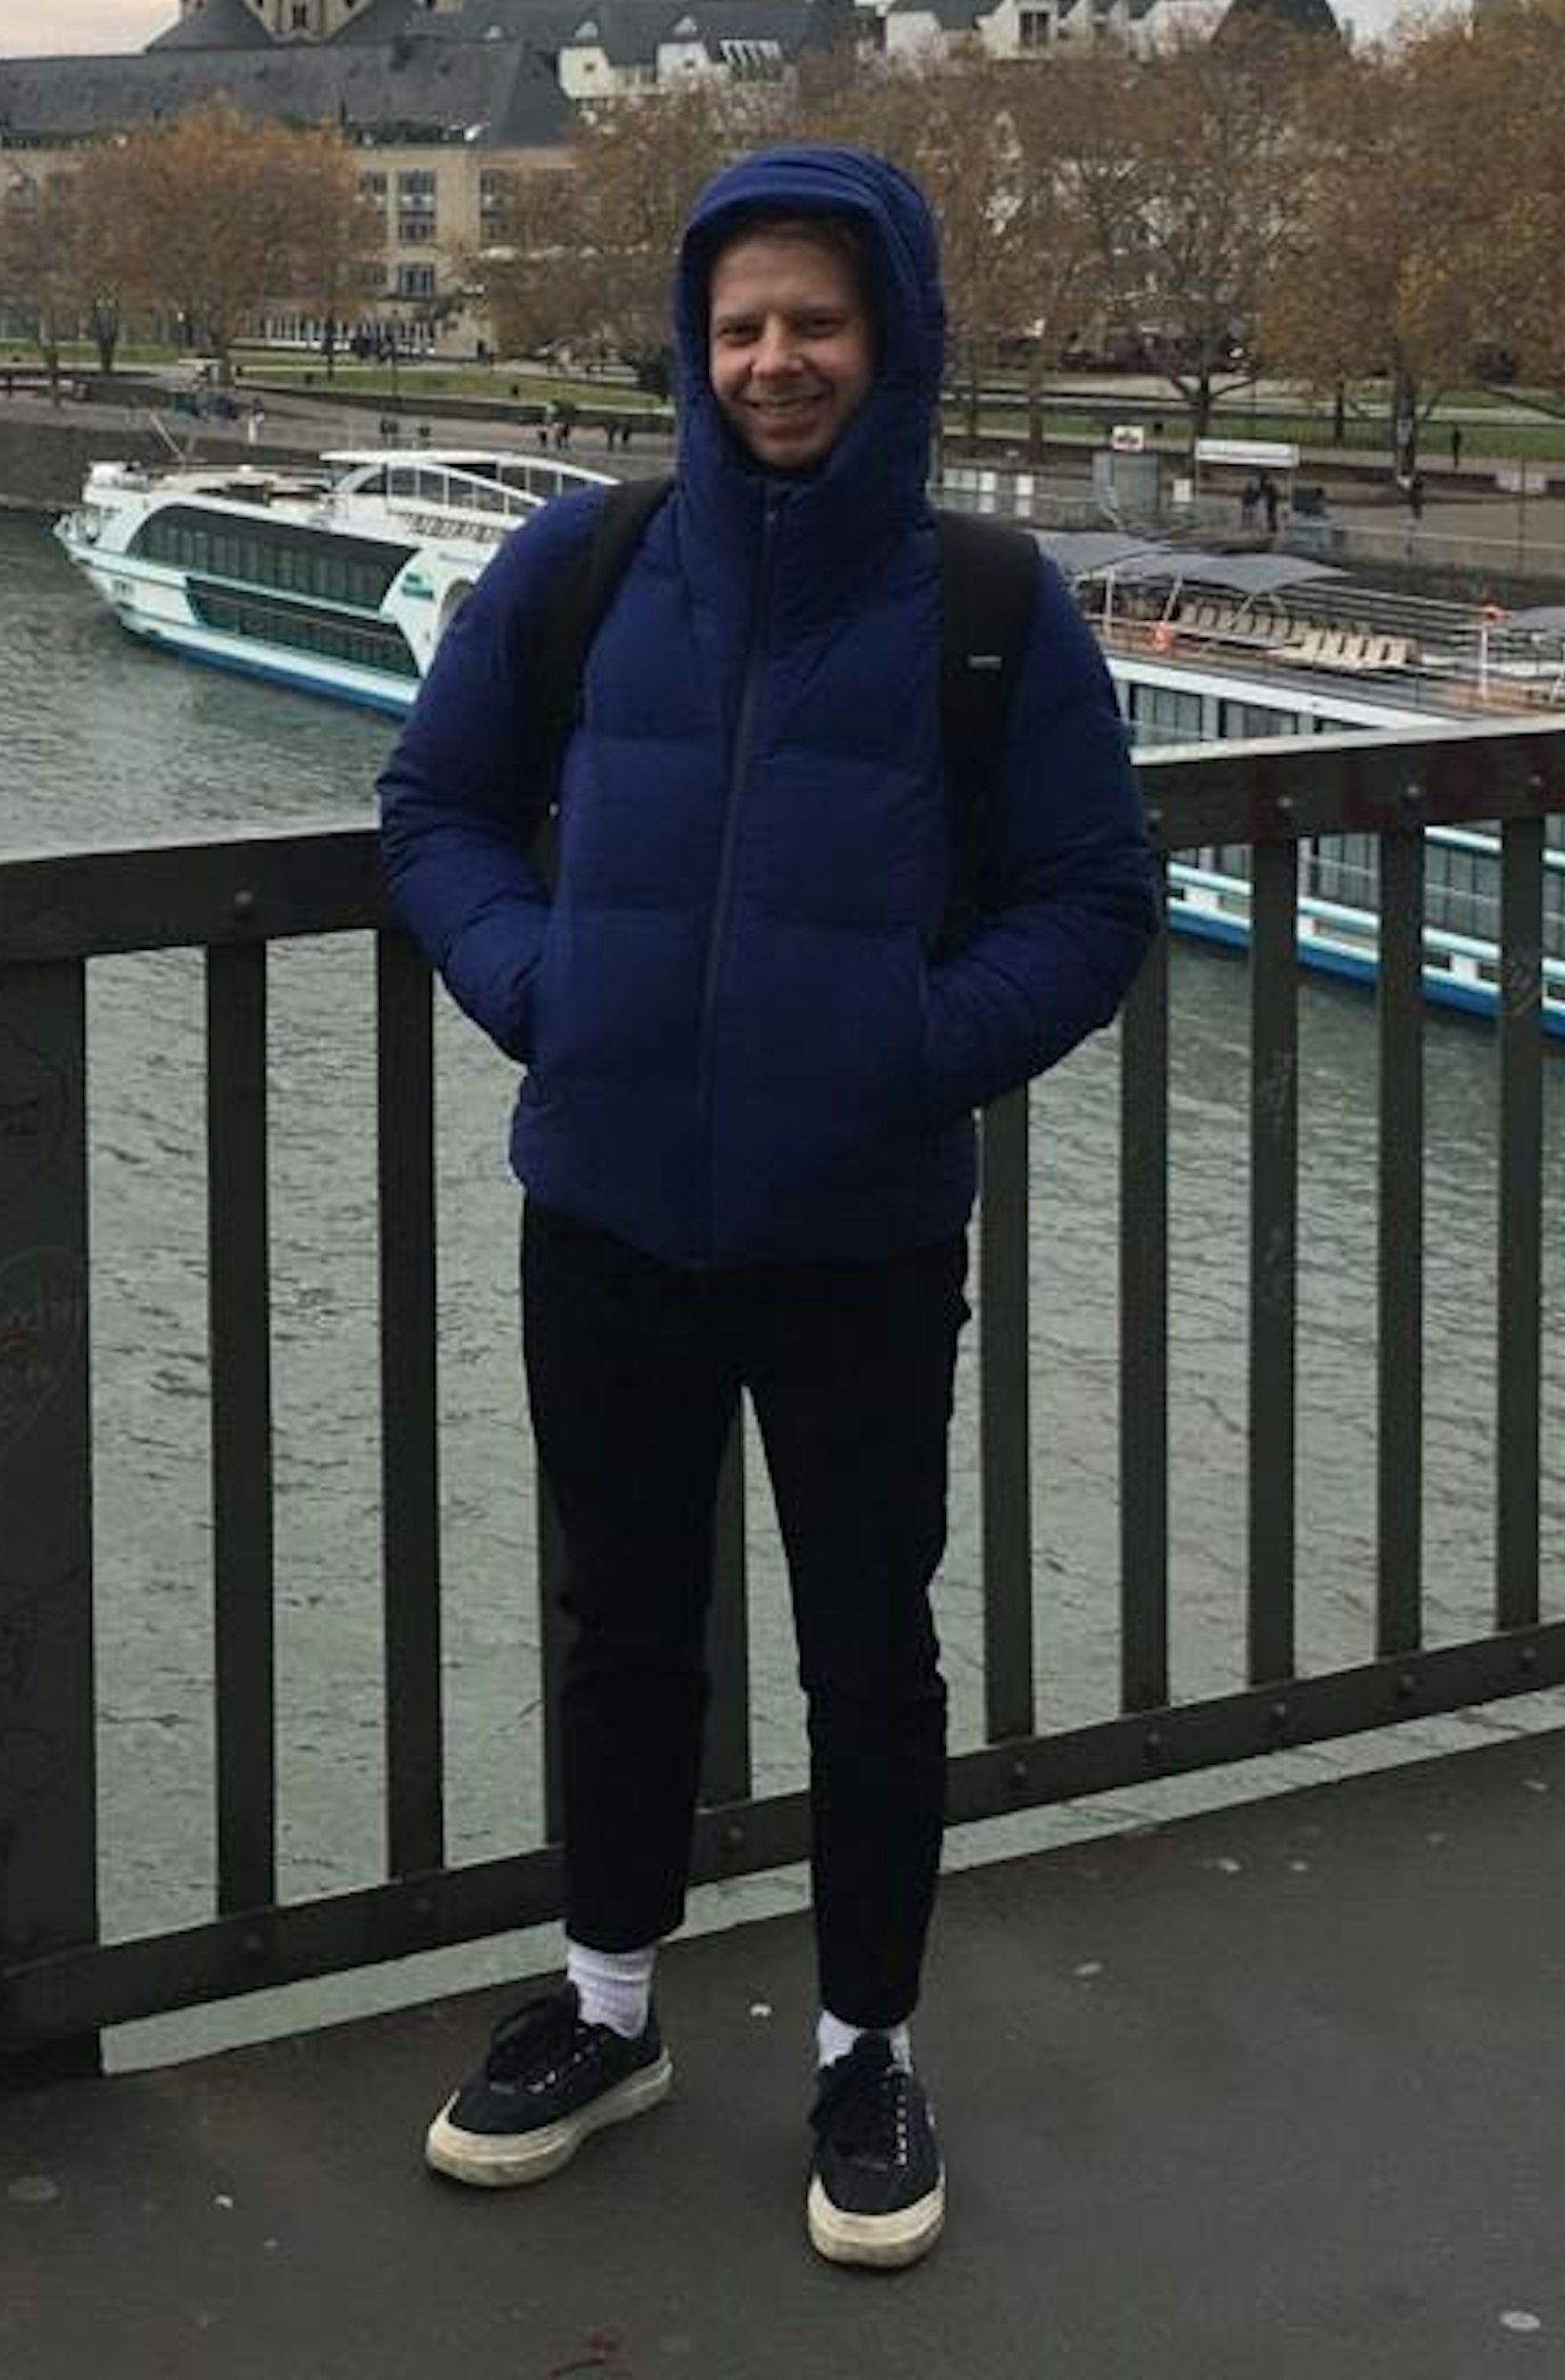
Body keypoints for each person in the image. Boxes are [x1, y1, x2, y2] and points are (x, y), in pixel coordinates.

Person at [378, 144, 1158, 2272]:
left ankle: (863, 2049)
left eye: (814, 321)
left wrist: (907, 1047)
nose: (773, 360)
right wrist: (541, 988)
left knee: (864, 1653)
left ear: (887, 337)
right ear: (690, 347)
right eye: (738, 326)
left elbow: (1098, 903)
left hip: (861, 1227)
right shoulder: (587, 564)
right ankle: (611, 2005)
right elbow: (436, 805)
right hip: (610, 1207)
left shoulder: (994, 609)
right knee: (621, 1624)